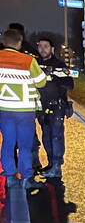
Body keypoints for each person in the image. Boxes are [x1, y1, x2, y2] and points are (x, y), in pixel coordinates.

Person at [0, 28, 48, 190]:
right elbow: (41, 82)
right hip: (25, 111)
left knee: (8, 142)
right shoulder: (28, 60)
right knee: (25, 145)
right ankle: (27, 177)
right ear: (19, 43)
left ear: (4, 42)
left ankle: (9, 176)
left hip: (4, 109)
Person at [34, 38, 74, 179]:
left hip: (57, 105)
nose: (42, 49)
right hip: (41, 106)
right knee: (46, 136)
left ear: (51, 49)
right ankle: (51, 164)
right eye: (40, 46)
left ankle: (56, 167)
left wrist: (55, 76)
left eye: (46, 46)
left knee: (56, 136)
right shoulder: (35, 64)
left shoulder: (59, 64)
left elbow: (70, 84)